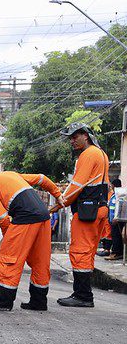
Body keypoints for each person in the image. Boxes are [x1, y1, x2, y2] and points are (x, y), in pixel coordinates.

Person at [0, 165, 63, 311]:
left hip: (25, 216)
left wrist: (7, 237)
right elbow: (41, 178)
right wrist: (58, 195)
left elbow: (2, 217)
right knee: (39, 261)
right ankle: (38, 301)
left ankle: (3, 301)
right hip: (43, 216)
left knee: (8, 257)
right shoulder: (10, 174)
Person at [55, 123, 110, 307]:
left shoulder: (88, 155)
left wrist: (60, 202)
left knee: (80, 251)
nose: (71, 141)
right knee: (89, 251)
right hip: (99, 209)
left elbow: (77, 185)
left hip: (87, 212)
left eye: (74, 137)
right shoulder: (101, 153)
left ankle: (83, 296)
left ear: (85, 135)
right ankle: (84, 294)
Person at [106, 178, 123, 260]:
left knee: (116, 237)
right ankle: (116, 252)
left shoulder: (119, 195)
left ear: (113, 185)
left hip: (116, 220)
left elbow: (119, 207)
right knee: (115, 236)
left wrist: (116, 218)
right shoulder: (115, 194)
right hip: (113, 220)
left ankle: (116, 253)